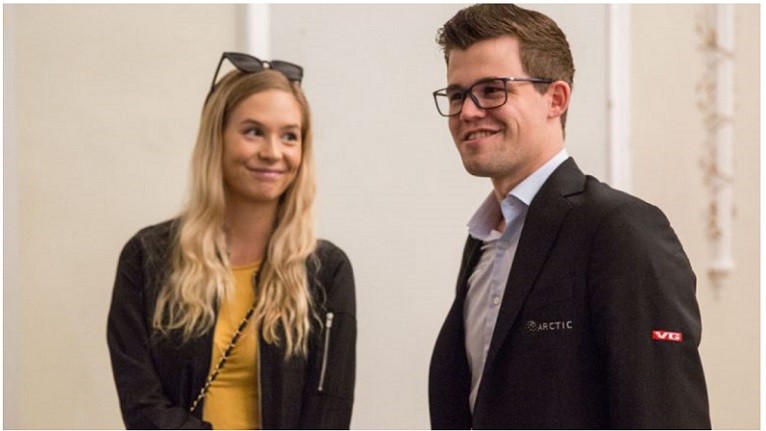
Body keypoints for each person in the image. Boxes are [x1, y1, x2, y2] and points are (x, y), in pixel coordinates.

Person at [428, 5, 710, 429]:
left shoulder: (620, 230)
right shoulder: (484, 241)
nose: (468, 112)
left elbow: (665, 416)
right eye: (456, 95)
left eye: (492, 90)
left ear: (556, 100)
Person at [107, 52, 356, 429]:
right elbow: (142, 406)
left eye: (290, 136)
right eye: (253, 131)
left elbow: (329, 415)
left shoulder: (327, 270)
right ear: (217, 138)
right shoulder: (147, 257)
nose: (273, 152)